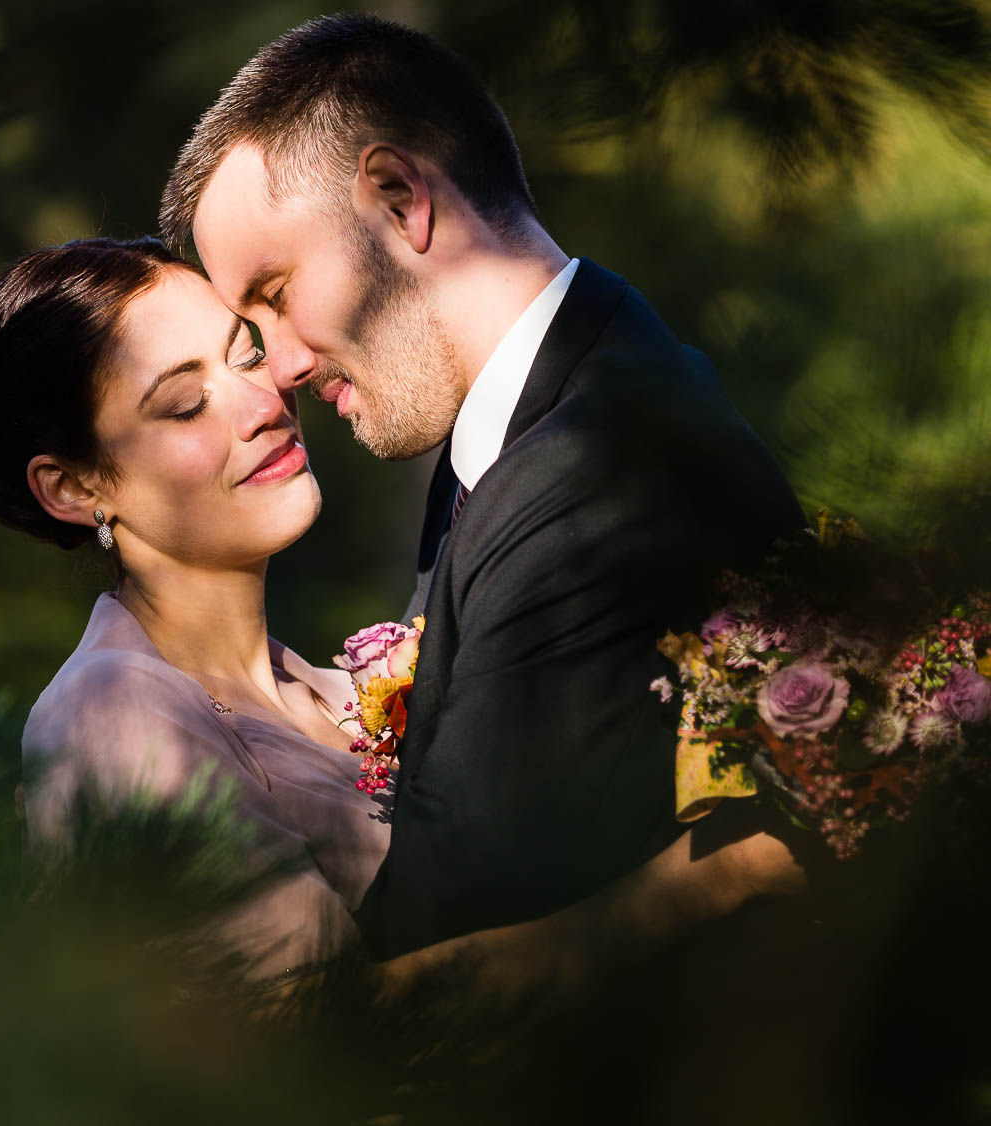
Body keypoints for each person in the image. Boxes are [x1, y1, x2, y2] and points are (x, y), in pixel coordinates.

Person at [0, 237, 801, 991]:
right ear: (73, 486)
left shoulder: (345, 690)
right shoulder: (113, 714)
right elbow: (334, 1043)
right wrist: (722, 879)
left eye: (245, 356)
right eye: (185, 403)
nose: (265, 402)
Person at [157, 15, 807, 958]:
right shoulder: (537, 429)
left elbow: (449, 941)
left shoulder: (587, 484)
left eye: (275, 292)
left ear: (398, 198)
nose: (282, 367)